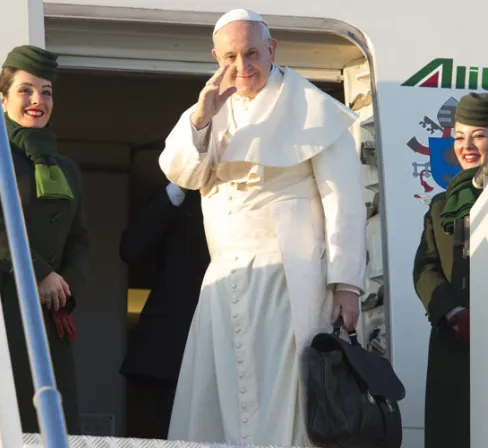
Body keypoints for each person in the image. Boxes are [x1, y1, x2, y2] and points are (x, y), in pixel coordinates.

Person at [158, 8, 366, 446]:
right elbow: (183, 175)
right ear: (215, 56)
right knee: (221, 389)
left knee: (285, 391)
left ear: (272, 49)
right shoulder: (209, 108)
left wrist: (346, 284)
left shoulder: (313, 109)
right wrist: (200, 120)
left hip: (289, 276)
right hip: (226, 275)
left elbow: (343, 201)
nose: (242, 66)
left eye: (252, 53)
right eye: (230, 57)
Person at [0, 45, 90, 434]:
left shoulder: (68, 169)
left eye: (47, 91)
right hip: (4, 304)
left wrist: (64, 285)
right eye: (26, 90)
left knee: (54, 423)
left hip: (50, 314)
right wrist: (39, 273)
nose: (38, 100)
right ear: (2, 97)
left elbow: (80, 239)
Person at [413, 92, 488, 448]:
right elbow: (426, 266)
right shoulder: (442, 204)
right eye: (458, 136)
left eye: (479, 135)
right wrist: (451, 311)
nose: (466, 146)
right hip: (453, 341)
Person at [119, 181, 210, 438]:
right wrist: (178, 188)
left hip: (226, 342)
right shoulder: (176, 201)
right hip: (167, 352)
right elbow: (131, 249)